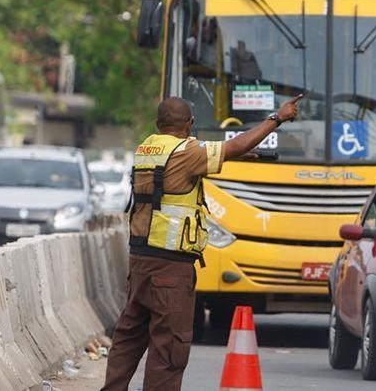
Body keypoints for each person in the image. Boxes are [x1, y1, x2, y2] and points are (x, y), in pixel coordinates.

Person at [101, 94, 302, 391]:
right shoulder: (187, 151)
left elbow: (182, 170)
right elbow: (235, 144)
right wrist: (277, 118)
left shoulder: (147, 148)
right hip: (170, 270)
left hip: (140, 263)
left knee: (128, 340)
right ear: (189, 124)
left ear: (158, 124)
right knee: (169, 348)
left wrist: (231, 155)